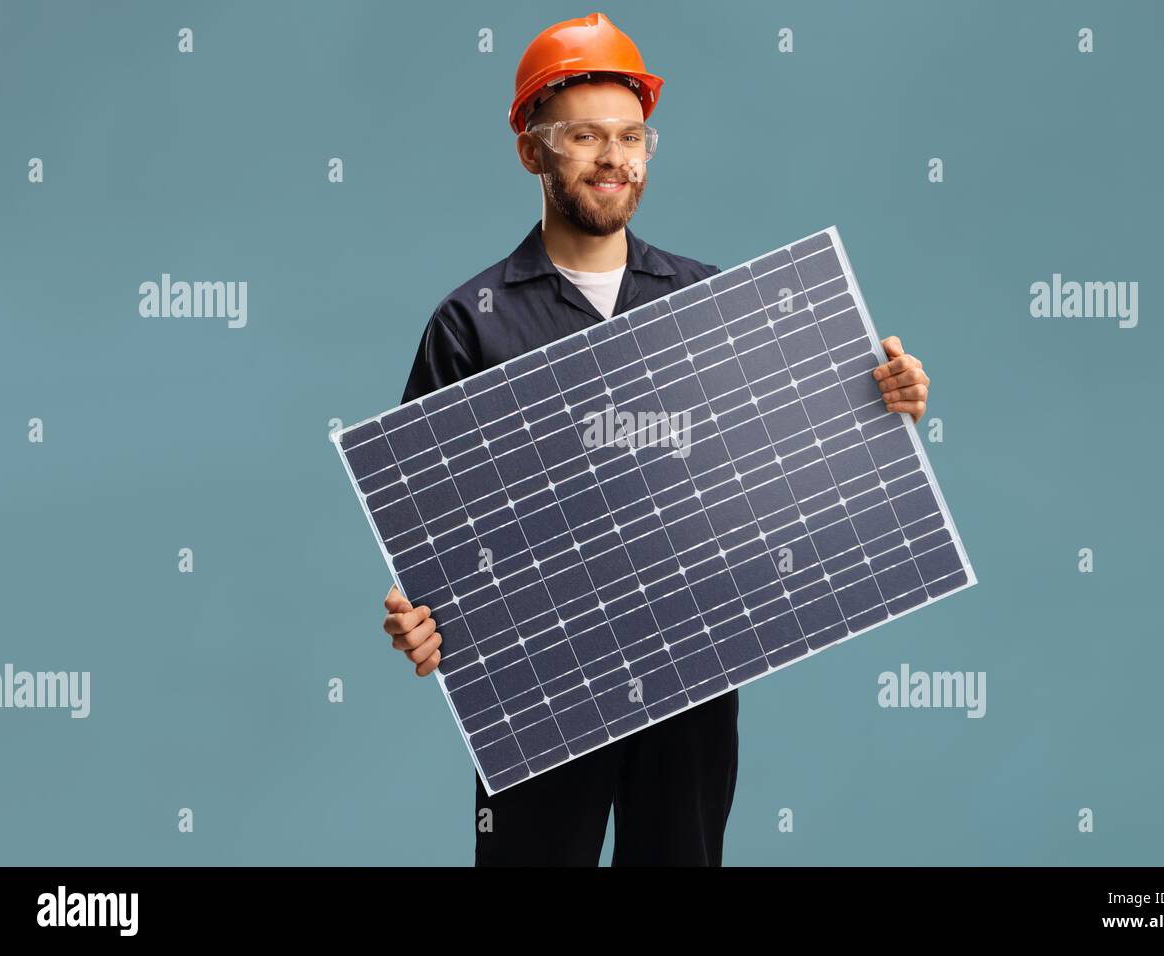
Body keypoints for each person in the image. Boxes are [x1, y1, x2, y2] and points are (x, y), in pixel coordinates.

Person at [380, 12, 931, 866]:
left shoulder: (712, 305)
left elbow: (788, 464)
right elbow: (426, 521)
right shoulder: (470, 324)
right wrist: (420, 614)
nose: (614, 156)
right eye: (586, 136)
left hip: (693, 673)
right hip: (537, 686)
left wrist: (885, 405)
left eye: (632, 135)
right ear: (532, 150)